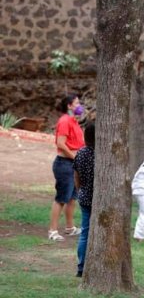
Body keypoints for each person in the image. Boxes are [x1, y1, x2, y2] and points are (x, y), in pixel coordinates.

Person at [48, 94, 85, 241]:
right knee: (61, 198)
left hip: (73, 164)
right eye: (76, 103)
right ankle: (53, 231)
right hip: (64, 164)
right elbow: (60, 144)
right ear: (69, 106)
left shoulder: (74, 121)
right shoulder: (64, 121)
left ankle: (70, 227)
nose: (79, 105)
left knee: (72, 197)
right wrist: (75, 157)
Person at [73, 122, 95, 277]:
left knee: (85, 232)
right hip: (97, 199)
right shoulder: (102, 154)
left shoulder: (81, 152)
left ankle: (81, 266)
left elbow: (76, 175)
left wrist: (80, 189)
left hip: (84, 196)